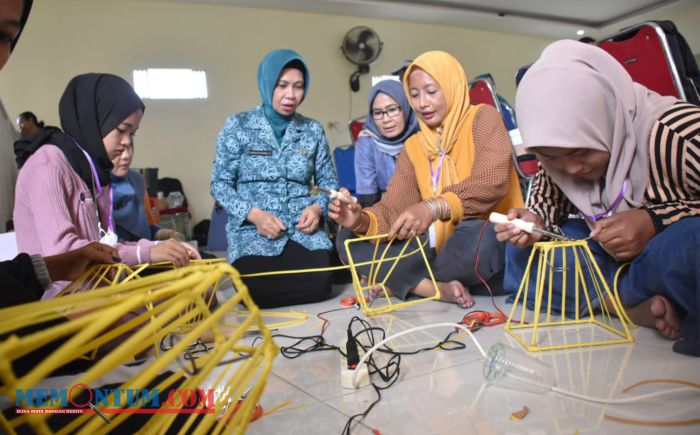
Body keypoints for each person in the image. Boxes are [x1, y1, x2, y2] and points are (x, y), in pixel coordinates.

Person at [495, 40, 699, 356]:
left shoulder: (677, 132)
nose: (571, 168)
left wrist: (655, 220)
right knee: (528, 254)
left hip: (661, 258)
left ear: (606, 114)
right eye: (552, 158)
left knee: (691, 244)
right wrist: (535, 220)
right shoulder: (557, 152)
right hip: (612, 263)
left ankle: (604, 297)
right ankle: (622, 304)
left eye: (581, 151)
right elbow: (546, 201)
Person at [330, 51, 524, 307]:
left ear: (451, 86)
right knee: (348, 238)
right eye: (415, 94)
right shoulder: (414, 145)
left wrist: (432, 207)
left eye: (431, 91)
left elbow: (492, 181)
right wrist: (360, 220)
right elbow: (394, 206)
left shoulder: (483, 118)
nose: (422, 103)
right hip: (434, 249)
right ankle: (431, 288)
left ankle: (399, 280)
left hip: (478, 243)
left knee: (481, 233)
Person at [13, 73, 199, 300]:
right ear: (94, 119)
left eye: (132, 133)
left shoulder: (89, 171)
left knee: (197, 290)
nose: (127, 142)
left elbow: (105, 243)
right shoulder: (48, 165)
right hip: (62, 302)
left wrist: (162, 246)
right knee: (175, 307)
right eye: (121, 129)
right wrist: (146, 252)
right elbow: (66, 255)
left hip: (96, 290)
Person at [211, 49, 339, 308]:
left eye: (298, 86)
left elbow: (328, 183)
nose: (290, 95)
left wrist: (317, 208)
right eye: (282, 85)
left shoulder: (312, 130)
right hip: (252, 232)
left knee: (320, 284)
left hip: (304, 230)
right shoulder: (238, 126)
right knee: (255, 291)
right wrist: (254, 215)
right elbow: (220, 185)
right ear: (267, 82)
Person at [354, 79, 419, 207]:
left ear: (405, 107)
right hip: (384, 210)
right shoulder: (366, 142)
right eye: (378, 113)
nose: (386, 119)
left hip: (425, 211)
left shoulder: (421, 137)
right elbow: (368, 197)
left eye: (392, 110)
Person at [111, 140, 183, 242]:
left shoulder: (136, 180)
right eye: (119, 149)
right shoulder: (92, 186)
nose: (126, 156)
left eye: (130, 146)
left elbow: (143, 231)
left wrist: (166, 234)